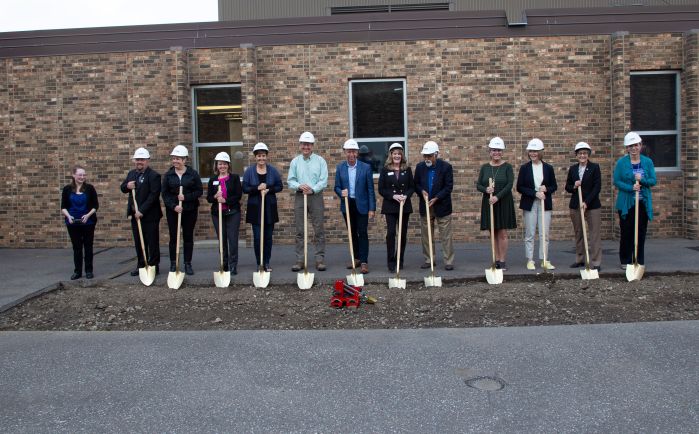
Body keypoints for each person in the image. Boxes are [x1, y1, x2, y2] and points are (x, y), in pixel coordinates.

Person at [614, 132, 657, 269]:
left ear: (640, 145)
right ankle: (625, 260)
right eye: (630, 146)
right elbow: (617, 181)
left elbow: (653, 181)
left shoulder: (647, 162)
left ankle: (638, 259)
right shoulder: (621, 163)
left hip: (642, 203)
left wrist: (642, 180)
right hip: (626, 204)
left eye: (636, 145)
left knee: (641, 232)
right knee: (626, 232)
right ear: (627, 148)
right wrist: (631, 187)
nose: (634, 148)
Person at [287, 131, 329, 271]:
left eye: (309, 144)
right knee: (300, 230)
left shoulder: (320, 161)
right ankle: (300, 260)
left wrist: (313, 189)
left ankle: (319, 259)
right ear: (300, 145)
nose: (306, 147)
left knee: (319, 229)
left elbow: (323, 181)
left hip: (316, 196)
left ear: (312, 146)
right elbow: (290, 181)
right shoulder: (295, 162)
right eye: (304, 144)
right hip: (300, 196)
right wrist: (299, 186)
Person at [334, 139, 376, 274]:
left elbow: (370, 189)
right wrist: (341, 192)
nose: (351, 154)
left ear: (357, 153)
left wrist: (372, 208)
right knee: (352, 232)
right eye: (348, 151)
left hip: (362, 204)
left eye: (353, 151)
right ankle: (356, 258)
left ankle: (364, 261)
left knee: (362, 232)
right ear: (345, 152)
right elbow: (336, 186)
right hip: (347, 204)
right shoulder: (340, 167)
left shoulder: (366, 167)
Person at [516, 138, 558, 270]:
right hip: (530, 203)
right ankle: (530, 259)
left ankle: (544, 259)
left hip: (545, 203)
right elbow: (520, 187)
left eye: (535, 151)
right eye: (531, 151)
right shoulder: (524, 168)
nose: (533, 154)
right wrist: (535, 193)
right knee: (530, 233)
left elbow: (554, 186)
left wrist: (547, 189)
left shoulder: (548, 168)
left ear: (540, 152)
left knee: (544, 233)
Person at [476, 137, 516, 271]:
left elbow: (509, 184)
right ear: (490, 152)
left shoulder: (507, 167)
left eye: (499, 150)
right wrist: (486, 190)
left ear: (502, 151)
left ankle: (503, 261)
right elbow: (478, 185)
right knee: (493, 232)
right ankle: (496, 259)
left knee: (502, 232)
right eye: (494, 150)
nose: (496, 153)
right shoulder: (485, 167)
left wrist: (497, 197)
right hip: (489, 202)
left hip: (503, 202)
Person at [120, 147, 162, 276]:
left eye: (142, 160)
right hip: (135, 216)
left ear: (147, 161)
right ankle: (141, 265)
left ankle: (154, 265)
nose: (140, 162)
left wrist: (142, 210)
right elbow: (123, 188)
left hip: (150, 215)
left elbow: (153, 195)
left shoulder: (154, 176)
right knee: (138, 241)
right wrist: (127, 186)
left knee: (152, 241)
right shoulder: (132, 174)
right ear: (134, 160)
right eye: (138, 159)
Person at [162, 145, 203, 275]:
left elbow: (199, 191)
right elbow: (165, 194)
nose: (175, 161)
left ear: (185, 160)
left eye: (178, 159)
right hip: (173, 211)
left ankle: (187, 263)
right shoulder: (169, 175)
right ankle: (174, 263)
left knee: (188, 236)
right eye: (174, 158)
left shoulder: (192, 174)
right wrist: (174, 206)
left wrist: (186, 197)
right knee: (174, 237)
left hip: (190, 210)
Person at [243, 142, 284, 272]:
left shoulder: (272, 170)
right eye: (259, 156)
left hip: (269, 209)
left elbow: (279, 186)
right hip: (255, 209)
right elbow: (245, 188)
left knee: (267, 237)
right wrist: (257, 188)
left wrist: (269, 189)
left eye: (263, 156)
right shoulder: (249, 171)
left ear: (267, 156)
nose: (261, 158)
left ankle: (266, 262)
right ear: (255, 157)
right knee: (257, 237)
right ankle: (259, 262)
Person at [414, 140, 455, 270]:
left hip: (442, 205)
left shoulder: (446, 167)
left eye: (429, 155)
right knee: (426, 235)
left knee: (446, 235)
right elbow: (416, 184)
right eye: (425, 156)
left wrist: (437, 198)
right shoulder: (420, 167)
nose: (426, 158)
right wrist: (421, 191)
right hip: (425, 205)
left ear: (436, 154)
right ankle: (429, 259)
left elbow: (448, 187)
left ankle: (448, 261)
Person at [564, 142, 602, 271]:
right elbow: (567, 187)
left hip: (592, 206)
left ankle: (596, 262)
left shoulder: (595, 167)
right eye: (580, 153)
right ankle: (580, 259)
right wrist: (574, 186)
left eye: (585, 153)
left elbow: (597, 187)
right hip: (576, 205)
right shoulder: (573, 169)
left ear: (588, 154)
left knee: (594, 233)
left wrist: (587, 202)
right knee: (579, 232)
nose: (582, 155)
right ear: (576, 155)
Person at [378, 143, 414, 273]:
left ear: (402, 155)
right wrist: (393, 196)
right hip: (390, 205)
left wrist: (405, 196)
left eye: (399, 153)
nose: (397, 156)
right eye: (394, 153)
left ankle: (400, 259)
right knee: (391, 233)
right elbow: (381, 189)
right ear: (391, 155)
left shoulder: (407, 169)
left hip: (404, 205)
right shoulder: (385, 169)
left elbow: (412, 187)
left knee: (402, 234)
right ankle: (391, 261)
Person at [207, 151, 242, 275]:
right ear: (216, 165)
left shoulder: (234, 178)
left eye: (224, 164)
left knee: (232, 239)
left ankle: (233, 265)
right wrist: (215, 197)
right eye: (220, 164)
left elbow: (238, 195)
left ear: (229, 165)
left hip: (233, 213)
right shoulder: (213, 180)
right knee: (222, 240)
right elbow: (209, 198)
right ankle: (224, 263)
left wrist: (226, 200)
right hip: (217, 214)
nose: (222, 166)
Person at [61, 165, 99, 280]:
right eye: (80, 175)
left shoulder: (90, 188)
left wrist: (87, 216)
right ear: (74, 175)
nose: (82, 177)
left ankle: (88, 270)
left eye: (84, 175)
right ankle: (77, 271)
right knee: (77, 248)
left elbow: (95, 206)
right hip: (73, 223)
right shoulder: (67, 189)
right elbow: (63, 207)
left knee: (88, 247)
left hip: (88, 222)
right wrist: (69, 217)